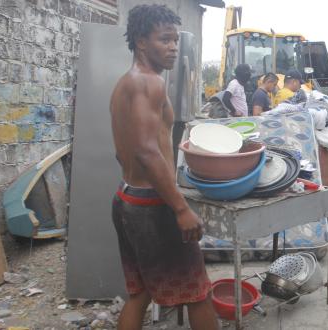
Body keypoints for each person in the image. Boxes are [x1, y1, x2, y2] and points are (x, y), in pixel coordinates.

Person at [109, 4, 218, 330]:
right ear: (142, 42)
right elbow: (146, 150)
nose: (172, 47)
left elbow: (122, 152)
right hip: (152, 206)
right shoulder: (149, 83)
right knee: (197, 291)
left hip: (126, 198)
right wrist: (180, 208)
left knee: (140, 293)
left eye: (174, 40)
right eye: (164, 40)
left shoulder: (124, 83)